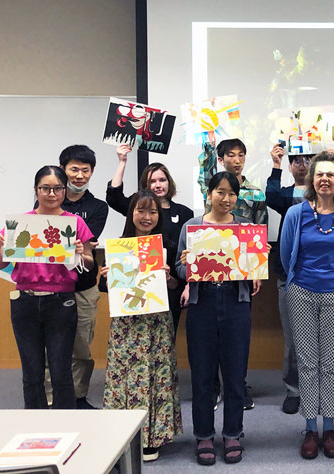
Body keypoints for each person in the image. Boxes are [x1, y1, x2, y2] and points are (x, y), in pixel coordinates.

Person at [0, 166, 94, 409]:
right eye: (45, 188)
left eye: (57, 188)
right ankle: (34, 427)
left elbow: (89, 264)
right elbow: (0, 263)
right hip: (25, 301)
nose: (51, 193)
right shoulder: (21, 224)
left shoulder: (74, 222)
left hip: (61, 302)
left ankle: (66, 426)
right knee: (32, 371)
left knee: (61, 370)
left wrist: (80, 254)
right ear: (36, 190)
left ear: (64, 191)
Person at [176, 172, 262, 466]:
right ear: (209, 193)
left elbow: (250, 271)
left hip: (236, 303)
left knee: (236, 373)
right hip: (202, 303)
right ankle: (203, 435)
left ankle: (232, 433)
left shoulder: (245, 229)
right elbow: (179, 269)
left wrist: (256, 266)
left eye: (232, 194)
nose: (226, 199)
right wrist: (188, 264)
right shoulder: (193, 226)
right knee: (202, 374)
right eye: (220, 192)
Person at [280, 151, 334, 459]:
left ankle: (329, 427)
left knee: (330, 364)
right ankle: (310, 428)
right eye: (319, 174)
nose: (324, 179)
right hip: (301, 292)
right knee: (307, 363)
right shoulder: (296, 214)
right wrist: (301, 282)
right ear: (311, 180)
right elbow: (287, 255)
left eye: (330, 174)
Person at [99, 190, 182, 462]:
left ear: (159, 216)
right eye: (141, 211)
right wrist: (106, 276)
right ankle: (121, 434)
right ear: (131, 213)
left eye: (153, 212)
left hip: (156, 322)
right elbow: (106, 289)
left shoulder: (166, 244)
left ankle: (152, 437)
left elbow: (174, 288)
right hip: (127, 325)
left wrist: (169, 277)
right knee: (124, 375)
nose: (147, 217)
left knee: (156, 374)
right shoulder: (119, 246)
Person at [199, 137, 267, 410]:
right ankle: (214, 387)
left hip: (241, 272)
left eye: (241, 155)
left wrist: (257, 271)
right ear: (222, 158)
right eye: (230, 155)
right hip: (210, 267)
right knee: (210, 333)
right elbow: (204, 171)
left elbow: (259, 234)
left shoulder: (255, 192)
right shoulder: (212, 185)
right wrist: (207, 144)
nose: (236, 160)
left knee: (237, 337)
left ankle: (237, 385)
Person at [42, 145, 108, 410]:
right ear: (62, 169)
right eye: (74, 169)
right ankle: (50, 399)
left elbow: (84, 242)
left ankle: (78, 397)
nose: (80, 175)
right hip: (52, 285)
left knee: (81, 346)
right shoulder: (47, 199)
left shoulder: (98, 207)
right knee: (52, 346)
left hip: (83, 284)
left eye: (85, 170)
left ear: (91, 172)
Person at [106, 144, 193, 336]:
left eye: (162, 180)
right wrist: (122, 161)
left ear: (169, 182)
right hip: (134, 286)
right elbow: (113, 197)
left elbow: (190, 250)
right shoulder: (135, 206)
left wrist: (186, 282)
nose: (158, 185)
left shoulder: (185, 213)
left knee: (164, 338)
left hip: (169, 286)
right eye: (152, 181)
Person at [265, 142, 312, 415]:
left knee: (320, 337)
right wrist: (275, 165)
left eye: (307, 159)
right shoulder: (284, 195)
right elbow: (270, 196)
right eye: (296, 160)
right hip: (289, 276)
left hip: (319, 275)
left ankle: (317, 388)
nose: (301, 164)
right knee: (293, 338)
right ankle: (293, 390)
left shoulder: (325, 195)